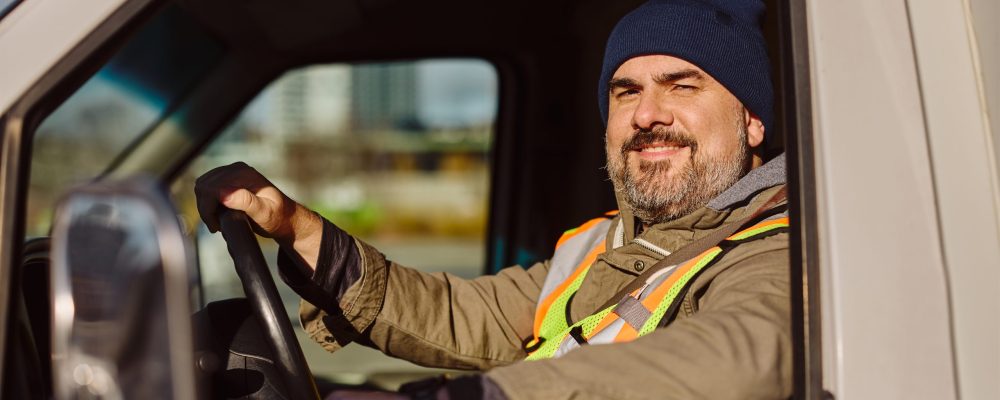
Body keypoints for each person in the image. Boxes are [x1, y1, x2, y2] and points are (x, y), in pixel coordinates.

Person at [195, 0, 791, 398]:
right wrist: (296, 227)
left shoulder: (786, 249)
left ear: (751, 119)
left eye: (682, 86)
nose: (647, 115)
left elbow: (741, 356)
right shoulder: (608, 241)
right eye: (625, 91)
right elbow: (463, 316)